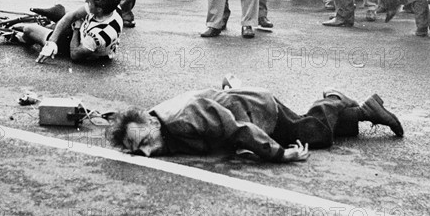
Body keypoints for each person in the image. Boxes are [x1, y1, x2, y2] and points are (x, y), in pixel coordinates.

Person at [108, 80, 404, 162]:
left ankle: (334, 99)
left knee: (314, 134)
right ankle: (366, 110)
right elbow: (129, 126)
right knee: (309, 128)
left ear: (153, 123)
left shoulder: (184, 119)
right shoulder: (151, 123)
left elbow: (238, 130)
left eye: (145, 143)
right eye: (137, 151)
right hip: (240, 103)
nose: (147, 153)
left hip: (258, 111)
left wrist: (278, 153)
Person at [15, 0, 124, 64]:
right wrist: (53, 40)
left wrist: (77, 28)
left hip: (77, 43)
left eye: (89, 1)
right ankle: (50, 25)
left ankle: (22, 36)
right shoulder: (111, 6)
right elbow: (73, 15)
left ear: (99, 9)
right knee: (61, 9)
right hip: (86, 29)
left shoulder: (97, 36)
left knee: (29, 29)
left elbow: (75, 54)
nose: (86, 1)